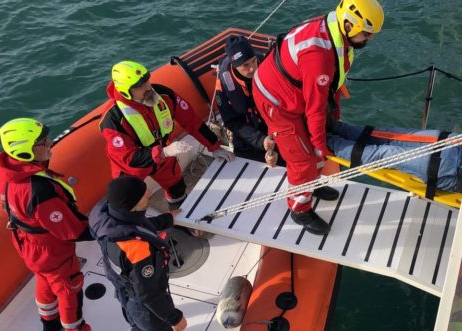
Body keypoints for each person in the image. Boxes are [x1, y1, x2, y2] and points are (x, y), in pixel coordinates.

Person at [252, 0, 385, 235]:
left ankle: (314, 185)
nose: (370, 39)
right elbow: (314, 107)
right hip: (277, 102)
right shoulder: (319, 56)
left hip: (294, 91)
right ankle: (299, 208)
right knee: (304, 158)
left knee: (320, 144)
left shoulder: (334, 33)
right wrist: (317, 146)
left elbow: (329, 89)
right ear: (349, 25)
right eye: (367, 33)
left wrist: (329, 122)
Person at [0, 118, 114, 331]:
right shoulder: (39, 190)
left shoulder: (7, 172)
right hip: (51, 251)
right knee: (69, 290)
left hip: (27, 244)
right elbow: (73, 230)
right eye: (42, 142)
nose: (49, 143)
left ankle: (49, 323)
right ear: (25, 151)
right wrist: (107, 228)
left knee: (44, 280)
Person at [89, 176, 189, 331]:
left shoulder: (109, 218)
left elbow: (135, 225)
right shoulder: (138, 250)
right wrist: (173, 317)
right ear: (132, 204)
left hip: (124, 294)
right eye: (144, 194)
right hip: (143, 301)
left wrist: (165, 220)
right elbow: (148, 293)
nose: (149, 194)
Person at [100, 60, 234, 211]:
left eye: (146, 81)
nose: (148, 87)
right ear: (126, 91)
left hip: (163, 155)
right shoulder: (113, 119)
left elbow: (191, 121)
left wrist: (214, 146)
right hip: (133, 167)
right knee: (130, 201)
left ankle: (179, 221)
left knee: (176, 187)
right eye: (140, 86)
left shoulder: (164, 95)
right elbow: (129, 158)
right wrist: (164, 152)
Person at [327, 122, 462, 199]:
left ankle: (327, 140)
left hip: (454, 170)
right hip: (459, 145)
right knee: (385, 135)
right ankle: (332, 126)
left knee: (384, 153)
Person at [215, 35, 284, 167]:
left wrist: (274, 143)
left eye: (253, 61)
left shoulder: (269, 68)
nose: (252, 68)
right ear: (235, 66)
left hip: (274, 130)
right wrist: (261, 141)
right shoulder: (224, 84)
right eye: (245, 65)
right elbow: (232, 122)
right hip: (246, 139)